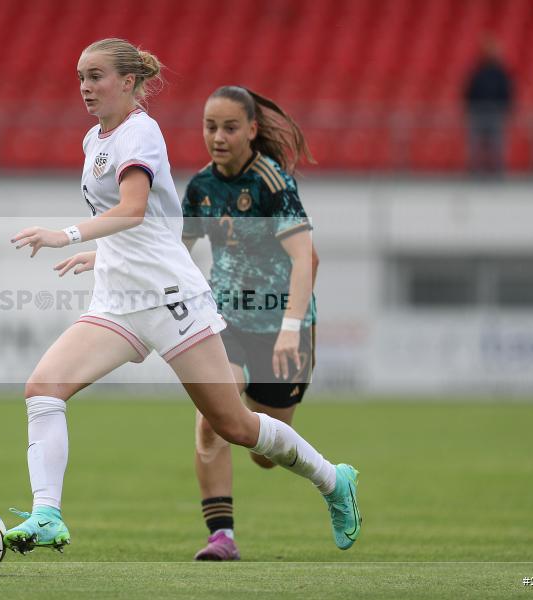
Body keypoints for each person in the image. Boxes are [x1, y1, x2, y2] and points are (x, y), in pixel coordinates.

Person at [4, 38, 361, 557]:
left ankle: (333, 480)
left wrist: (69, 235)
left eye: (96, 75)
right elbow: (155, 231)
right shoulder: (93, 140)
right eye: (80, 76)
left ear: (128, 82)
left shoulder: (141, 132)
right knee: (42, 389)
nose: (84, 86)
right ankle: (46, 515)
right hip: (119, 301)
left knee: (233, 426)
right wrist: (104, 259)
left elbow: (131, 209)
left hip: (172, 301)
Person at [181, 86, 326, 560]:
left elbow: (306, 259)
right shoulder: (201, 187)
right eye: (210, 126)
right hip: (224, 318)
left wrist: (290, 328)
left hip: (282, 327)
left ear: (252, 130)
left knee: (264, 454)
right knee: (211, 422)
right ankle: (221, 536)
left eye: (229, 127)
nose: (217, 137)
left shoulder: (272, 182)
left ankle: (311, 468)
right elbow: (176, 255)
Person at [464, 37, 514, 174]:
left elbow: (507, 92)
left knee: (497, 145)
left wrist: (504, 108)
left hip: (496, 112)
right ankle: (475, 172)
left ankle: (497, 172)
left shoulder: (501, 73)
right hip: (478, 112)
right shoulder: (477, 71)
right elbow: (469, 91)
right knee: (475, 145)